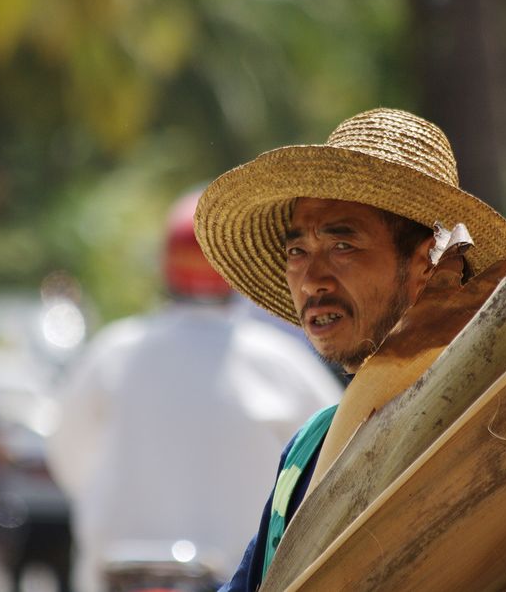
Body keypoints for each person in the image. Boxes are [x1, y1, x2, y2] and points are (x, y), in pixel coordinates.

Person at [192, 108, 506, 591]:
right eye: (297, 251)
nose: (311, 279)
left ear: (428, 266)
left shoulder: (478, 431)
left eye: (342, 246)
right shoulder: (309, 447)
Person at [45, 190, 343, 592]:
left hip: (118, 576)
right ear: (233, 273)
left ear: (165, 269)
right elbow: (340, 458)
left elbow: (67, 459)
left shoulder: (113, 351)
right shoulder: (278, 361)